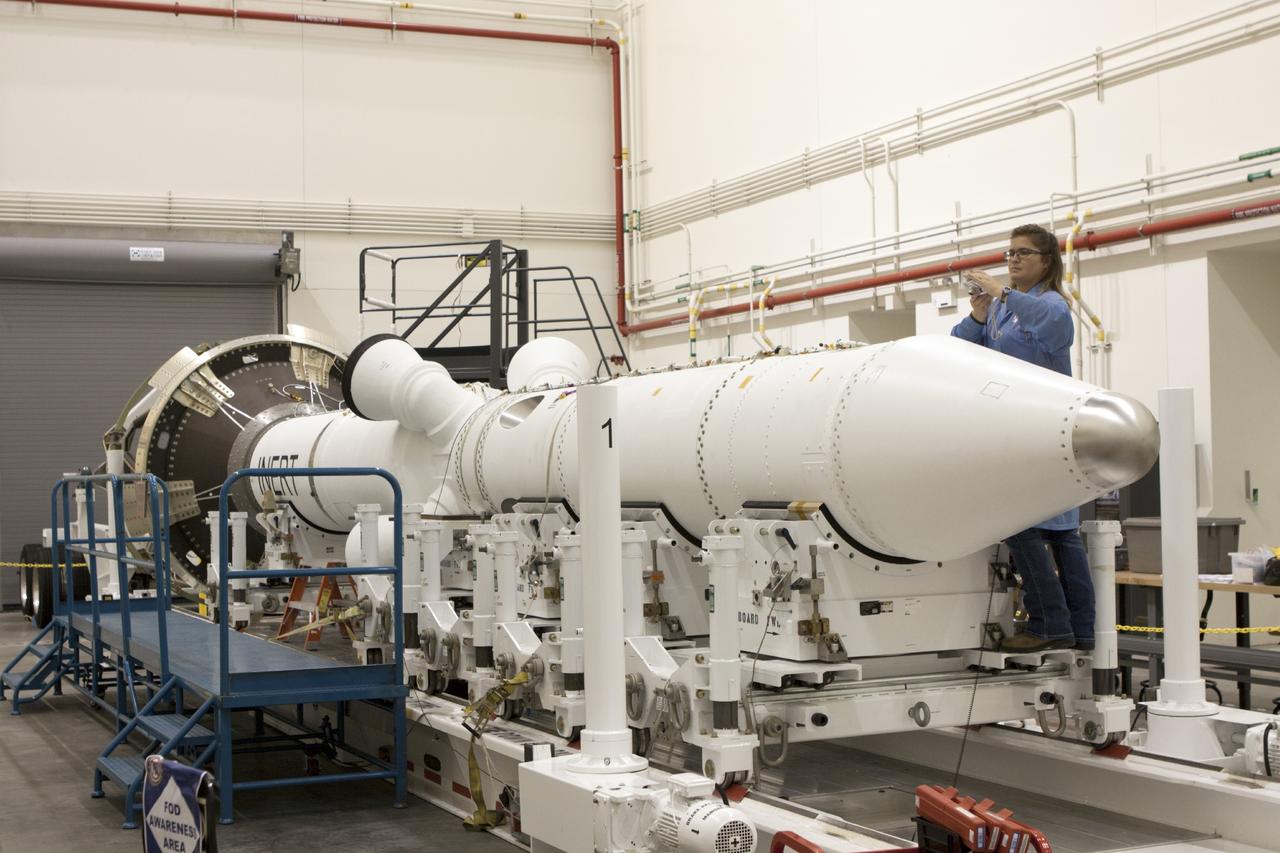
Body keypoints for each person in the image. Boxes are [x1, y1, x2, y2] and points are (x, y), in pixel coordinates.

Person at [951, 223, 1094, 653]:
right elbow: (959, 349)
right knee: (1049, 532)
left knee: (1033, 529)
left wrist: (1001, 292)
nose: (1013, 259)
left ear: (1046, 261)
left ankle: (1053, 624)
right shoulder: (999, 308)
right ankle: (1073, 627)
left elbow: (1055, 326)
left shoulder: (1049, 304)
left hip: (1046, 430)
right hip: (1013, 431)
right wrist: (979, 313)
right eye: (1010, 253)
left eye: (1024, 253)